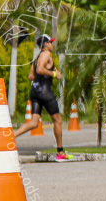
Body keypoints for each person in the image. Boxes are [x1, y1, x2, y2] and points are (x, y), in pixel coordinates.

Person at [15, 34, 69, 162]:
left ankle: (11, 136)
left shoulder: (37, 57)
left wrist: (47, 73)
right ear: (45, 44)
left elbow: (31, 76)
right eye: (50, 42)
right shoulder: (46, 55)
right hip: (45, 92)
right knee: (58, 119)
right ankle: (60, 151)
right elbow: (39, 70)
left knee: (34, 122)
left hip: (35, 91)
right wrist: (54, 73)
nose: (52, 44)